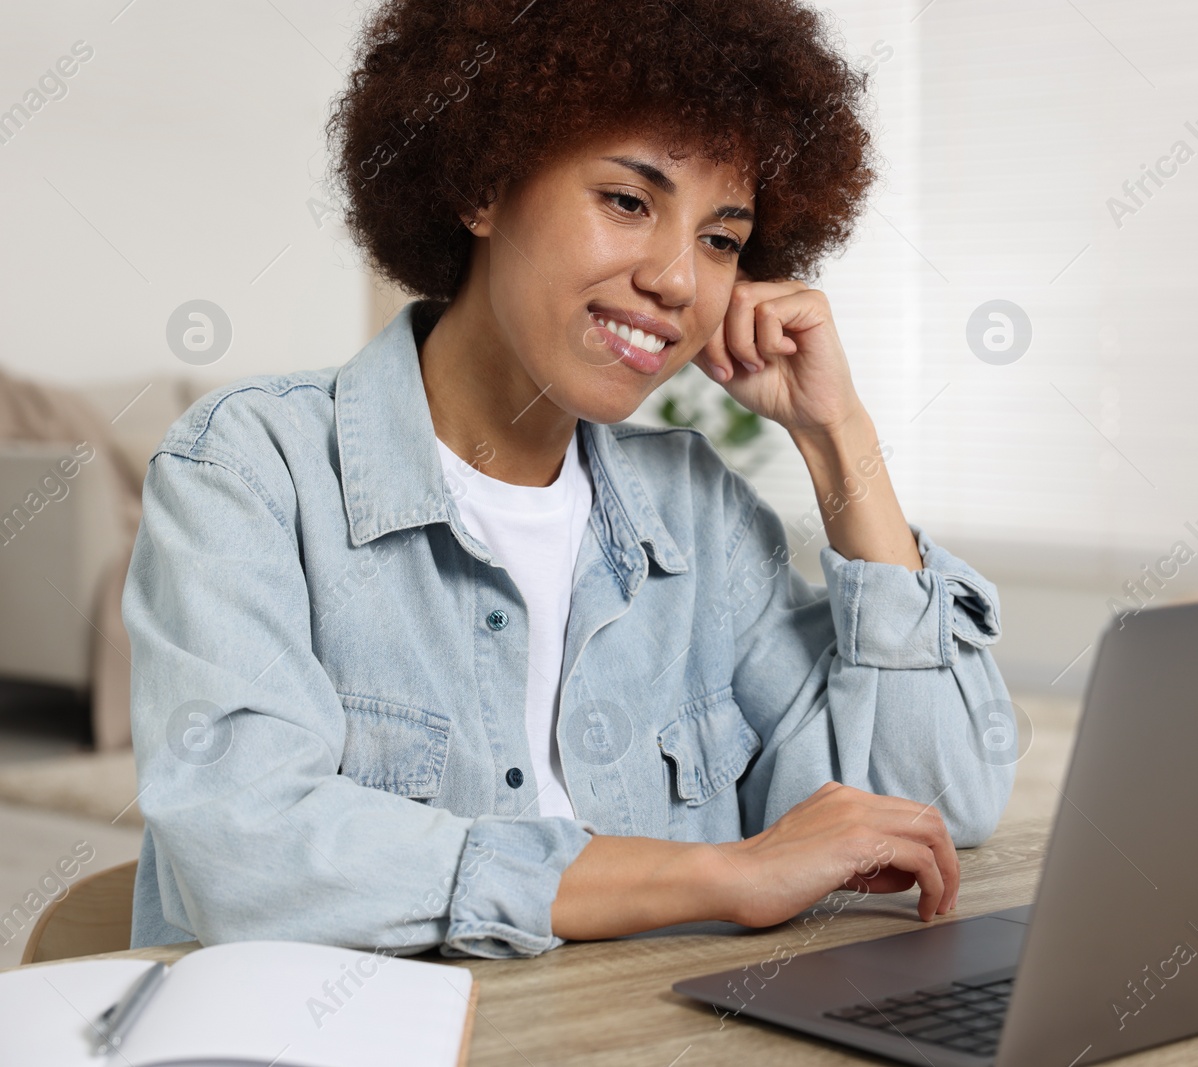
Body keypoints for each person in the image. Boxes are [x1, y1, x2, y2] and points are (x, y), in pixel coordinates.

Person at [126, 0, 1014, 958]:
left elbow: (932, 807)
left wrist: (839, 437)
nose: (678, 280)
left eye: (720, 238)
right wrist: (721, 875)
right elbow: (242, 850)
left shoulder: (697, 515)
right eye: (629, 202)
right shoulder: (252, 470)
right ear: (484, 185)